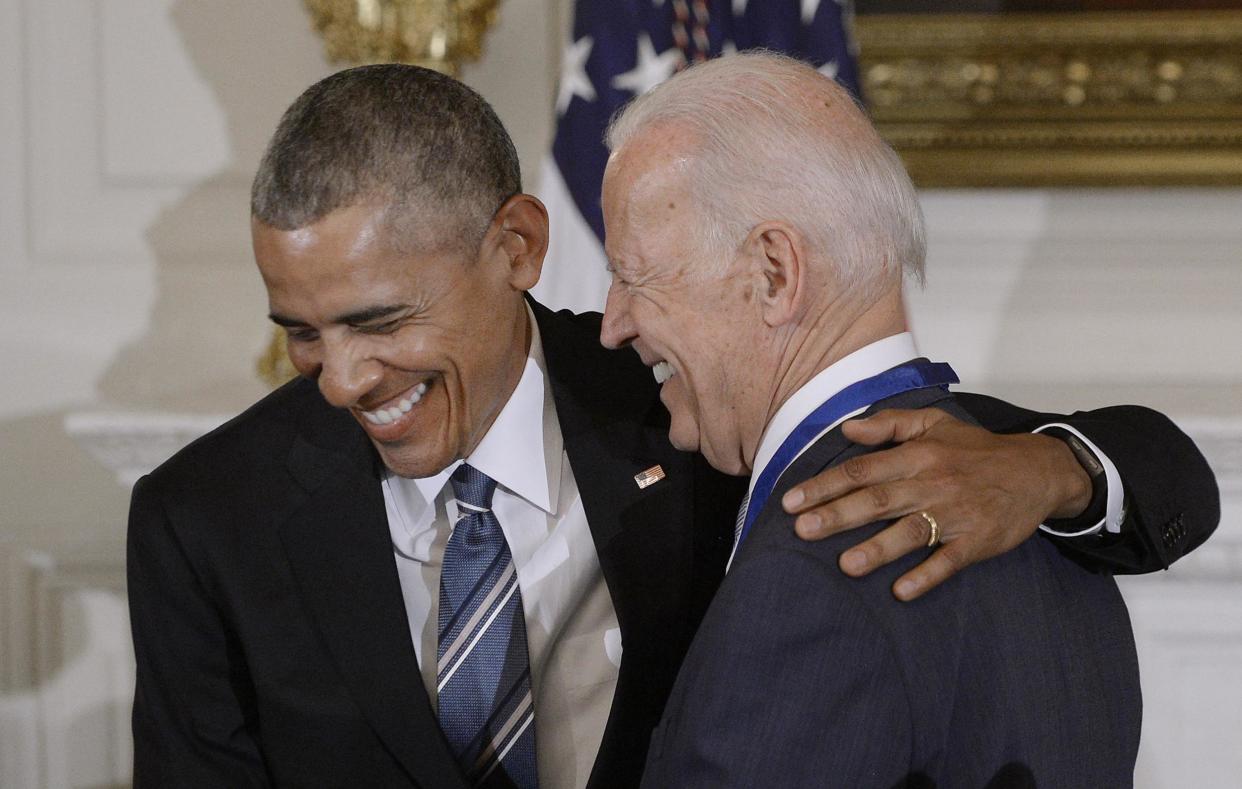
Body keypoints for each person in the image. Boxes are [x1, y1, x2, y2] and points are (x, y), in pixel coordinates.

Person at [127, 64, 1216, 788]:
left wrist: (1054, 469)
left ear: (515, 247)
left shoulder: (689, 406)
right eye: (302, 333)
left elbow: (1145, 473)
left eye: (381, 321)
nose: (339, 380)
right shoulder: (205, 520)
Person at [597, 52, 1176, 787]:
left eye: (634, 275)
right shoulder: (1058, 527)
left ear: (774, 272)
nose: (612, 324)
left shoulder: (812, 571)